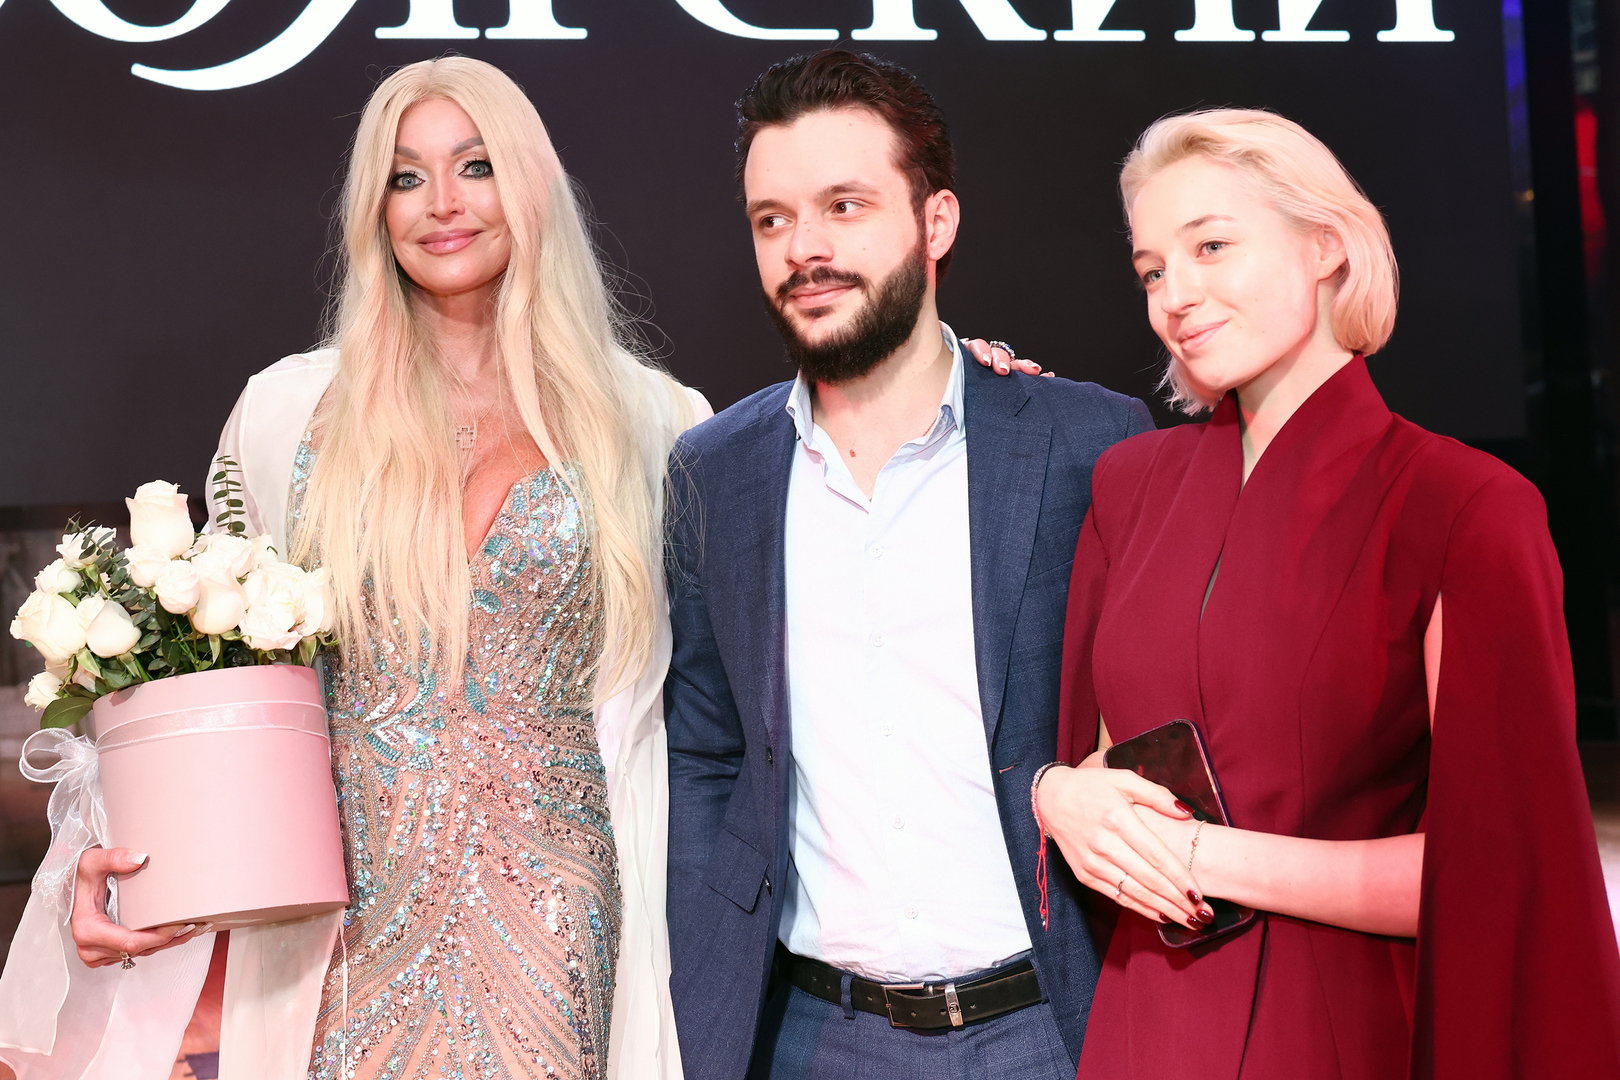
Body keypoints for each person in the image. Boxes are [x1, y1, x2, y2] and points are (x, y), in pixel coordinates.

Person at [17, 56, 708, 1080]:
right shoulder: (288, 415)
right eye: (405, 176)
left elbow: (713, 713)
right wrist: (112, 859)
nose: (442, 203)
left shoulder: (656, 423)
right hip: (338, 919)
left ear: (533, 183)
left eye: (475, 166)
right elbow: (200, 681)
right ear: (374, 211)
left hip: (562, 915)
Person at [1036, 108, 1620, 1078]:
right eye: (1151, 271)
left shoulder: (1463, 506)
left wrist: (1203, 859)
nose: (1176, 295)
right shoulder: (1128, 486)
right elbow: (1100, 759)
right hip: (1143, 1024)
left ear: (1326, 246)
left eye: (1211, 247)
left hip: (1341, 1032)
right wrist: (1062, 795)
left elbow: (1502, 872)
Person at [662, 51, 1157, 1080]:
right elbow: (706, 752)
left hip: (1049, 1026)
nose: (805, 248)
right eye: (772, 218)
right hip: (812, 1037)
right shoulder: (715, 474)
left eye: (845, 206)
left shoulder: (1087, 443)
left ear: (936, 222)